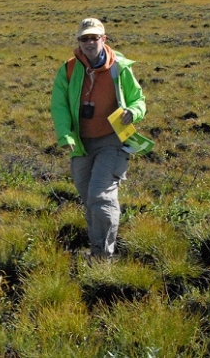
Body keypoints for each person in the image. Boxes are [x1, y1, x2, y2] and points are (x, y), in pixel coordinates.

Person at [51, 17, 146, 259]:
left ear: (104, 39)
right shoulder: (69, 69)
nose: (90, 42)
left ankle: (104, 256)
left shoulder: (119, 67)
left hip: (113, 141)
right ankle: (97, 250)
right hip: (81, 143)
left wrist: (133, 112)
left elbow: (138, 100)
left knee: (100, 196)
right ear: (79, 42)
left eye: (94, 37)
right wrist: (65, 134)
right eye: (85, 38)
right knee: (89, 197)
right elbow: (59, 105)